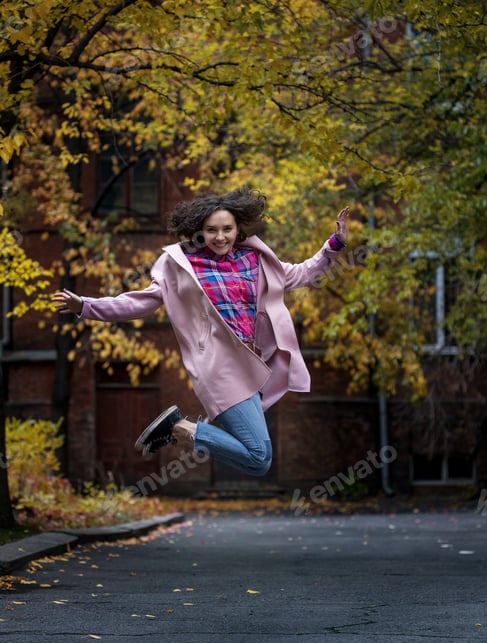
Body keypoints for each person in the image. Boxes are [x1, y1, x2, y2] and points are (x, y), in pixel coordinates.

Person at [52, 187, 349, 477]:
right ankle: (180, 427)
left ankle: (181, 427)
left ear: (238, 230)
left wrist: (334, 243)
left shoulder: (255, 262)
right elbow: (140, 302)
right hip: (219, 368)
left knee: (259, 459)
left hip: (251, 364)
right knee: (259, 458)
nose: (220, 237)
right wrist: (85, 306)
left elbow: (303, 272)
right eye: (211, 230)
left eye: (227, 229)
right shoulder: (183, 266)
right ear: (200, 231)